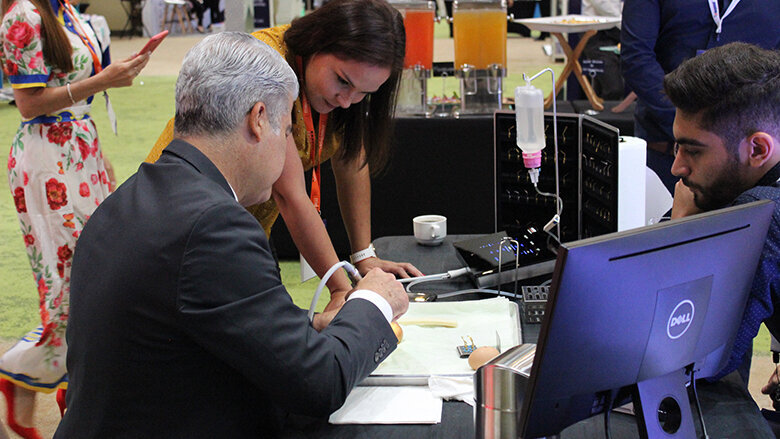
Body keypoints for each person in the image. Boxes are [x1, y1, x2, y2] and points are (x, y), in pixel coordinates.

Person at [54, 32, 409, 437]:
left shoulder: (129, 199)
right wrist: (373, 303)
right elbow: (319, 384)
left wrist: (305, 330)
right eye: (287, 131)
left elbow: (208, 320)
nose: (289, 150)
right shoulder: (214, 226)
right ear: (259, 120)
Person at [146, 0, 423, 315]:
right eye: (343, 81)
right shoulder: (267, 68)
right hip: (185, 220)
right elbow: (289, 194)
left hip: (241, 228)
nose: (348, 101)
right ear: (319, 40)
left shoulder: (347, 88)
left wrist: (363, 255)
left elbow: (350, 158)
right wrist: (342, 289)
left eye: (364, 93)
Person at [0, 0, 149, 437]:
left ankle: (48, 384)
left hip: (80, 151)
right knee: (72, 290)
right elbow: (28, 105)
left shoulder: (64, 10)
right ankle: (43, 381)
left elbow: (77, 83)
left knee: (97, 280)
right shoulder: (23, 17)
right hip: (47, 161)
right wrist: (104, 80)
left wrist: (100, 160)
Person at [664, 43, 780, 394]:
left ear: (758, 149)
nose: (677, 168)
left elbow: (694, 357)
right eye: (677, 147)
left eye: (693, 151)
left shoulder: (763, 212)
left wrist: (680, 225)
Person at [621, 0, 780, 191]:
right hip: (666, 142)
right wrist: (689, 123)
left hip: (749, 155)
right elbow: (636, 57)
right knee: (666, 216)